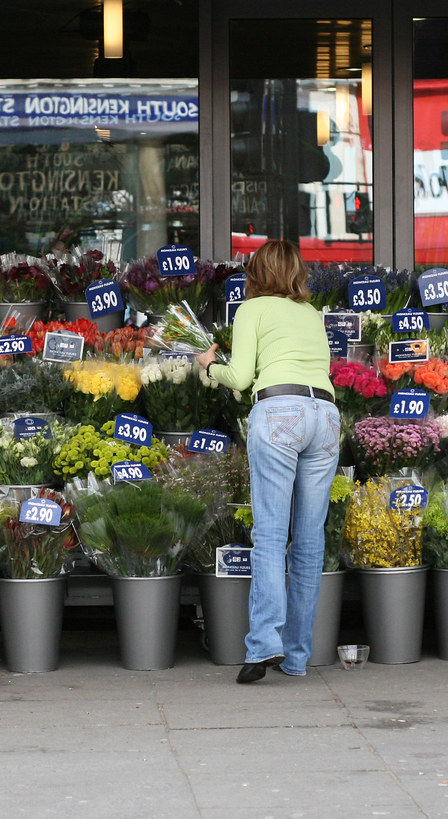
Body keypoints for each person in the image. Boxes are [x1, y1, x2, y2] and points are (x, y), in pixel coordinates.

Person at [195, 239, 340, 684]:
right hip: (325, 416)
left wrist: (209, 365)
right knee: (310, 541)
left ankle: (262, 646)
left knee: (272, 535)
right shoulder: (310, 313)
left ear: (256, 274)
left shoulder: (252, 309)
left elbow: (240, 376)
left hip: (279, 411)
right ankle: (296, 657)